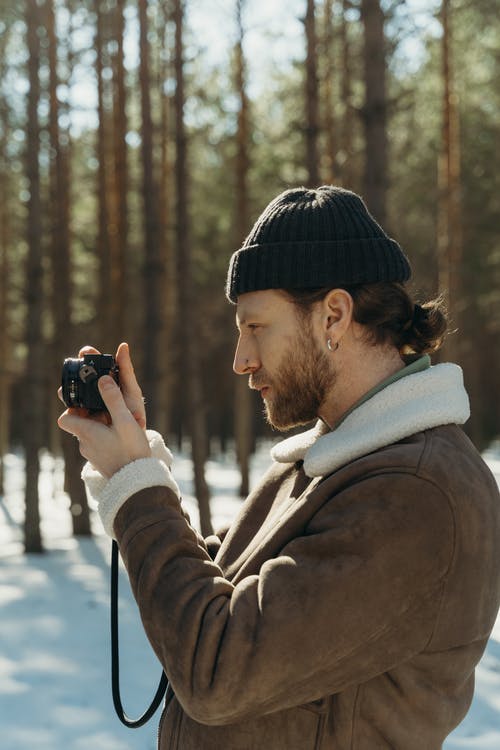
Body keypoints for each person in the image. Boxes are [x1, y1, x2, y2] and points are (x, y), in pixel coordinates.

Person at [58, 186, 500, 750]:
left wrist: (137, 491)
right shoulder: (332, 462)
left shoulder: (415, 492)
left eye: (255, 326)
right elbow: (214, 591)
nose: (241, 359)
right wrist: (141, 469)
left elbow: (218, 670)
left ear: (334, 316)